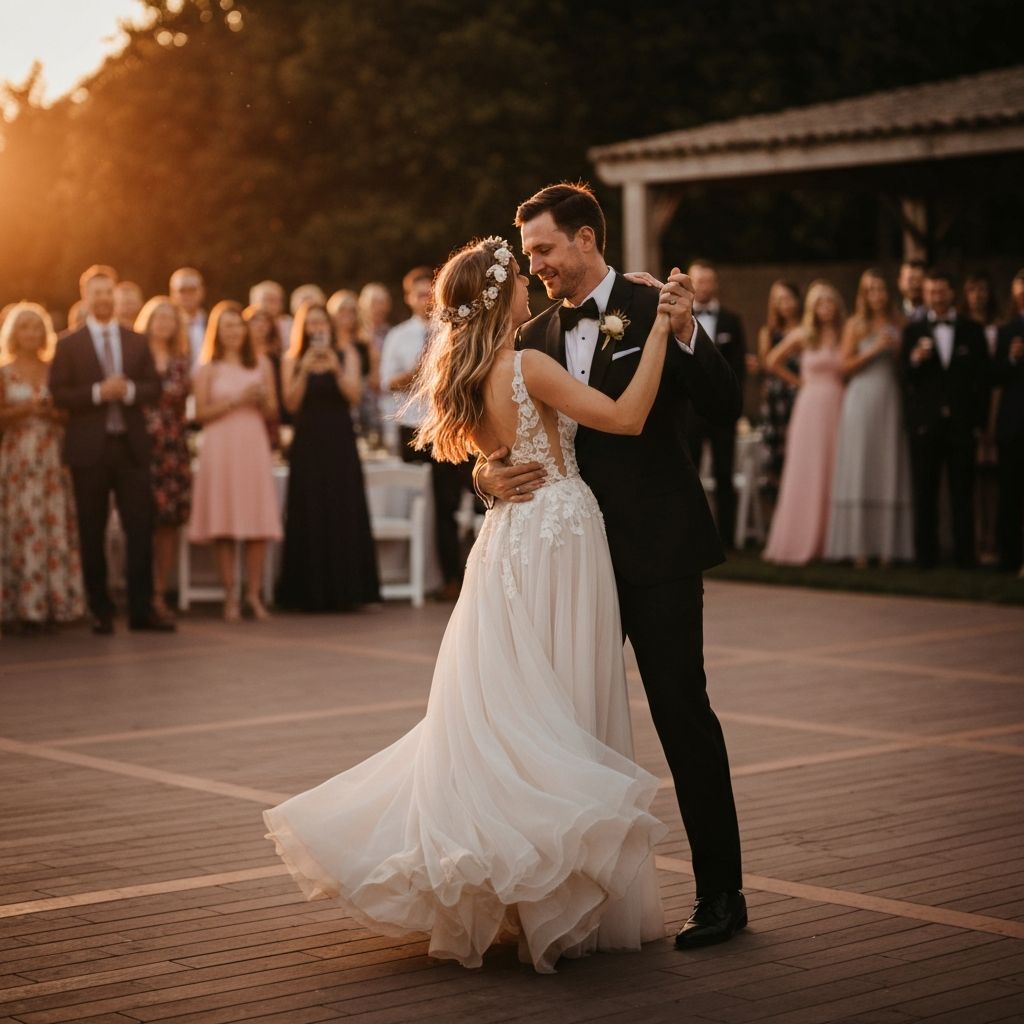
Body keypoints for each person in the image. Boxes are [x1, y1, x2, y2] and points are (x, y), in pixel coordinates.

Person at [264, 233, 679, 972]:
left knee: (518, 705)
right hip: (561, 532)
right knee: (565, 702)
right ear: (499, 295)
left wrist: (489, 475)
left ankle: (530, 899)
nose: (529, 284)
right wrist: (655, 340)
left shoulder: (468, 369)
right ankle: (563, 898)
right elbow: (624, 419)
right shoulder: (528, 365)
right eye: (519, 276)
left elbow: (489, 457)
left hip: (506, 542)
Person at [477, 183, 746, 950]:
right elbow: (503, 438)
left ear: (588, 238)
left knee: (682, 717)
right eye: (530, 255)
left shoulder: (655, 302)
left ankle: (722, 894)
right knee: (565, 728)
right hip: (568, 566)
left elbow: (725, 406)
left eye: (545, 250)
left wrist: (688, 331)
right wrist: (483, 477)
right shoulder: (530, 333)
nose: (538, 266)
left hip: (656, 550)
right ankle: (571, 903)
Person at [48, 265, 173, 634]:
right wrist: (98, 393)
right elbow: (59, 393)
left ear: (115, 296)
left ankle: (141, 610)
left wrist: (129, 390)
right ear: (85, 296)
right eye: (96, 292)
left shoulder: (136, 340)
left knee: (140, 528)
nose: (103, 298)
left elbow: (154, 387)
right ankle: (100, 609)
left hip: (131, 448)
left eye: (108, 292)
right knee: (92, 530)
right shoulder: (68, 343)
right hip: (90, 451)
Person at [275, 301, 380, 611]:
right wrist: (304, 370)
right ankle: (307, 594)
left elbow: (354, 397)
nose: (316, 329)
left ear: (329, 327)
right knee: (308, 508)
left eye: (322, 323)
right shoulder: (291, 359)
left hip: (339, 441)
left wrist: (335, 367)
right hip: (307, 442)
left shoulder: (345, 354)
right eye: (311, 324)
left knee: (341, 507)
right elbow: (290, 405)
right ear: (302, 328)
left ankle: (347, 591)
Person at [382, 266, 472, 599]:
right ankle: (425, 577)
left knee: (448, 504)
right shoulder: (398, 336)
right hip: (412, 429)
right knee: (422, 505)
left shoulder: (454, 329)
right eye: (418, 294)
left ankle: (455, 578)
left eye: (429, 293)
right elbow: (386, 383)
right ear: (407, 297)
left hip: (447, 429)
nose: (425, 300)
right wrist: (418, 372)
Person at [188, 301, 282, 621]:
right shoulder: (206, 368)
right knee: (224, 522)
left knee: (257, 522)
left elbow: (273, 412)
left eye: (236, 326)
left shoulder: (261, 363)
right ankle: (230, 594)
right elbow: (199, 414)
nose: (232, 332)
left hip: (252, 444)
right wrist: (236, 400)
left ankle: (253, 595)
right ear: (216, 332)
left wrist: (263, 400)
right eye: (226, 326)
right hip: (220, 446)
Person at [0, 303, 85, 631]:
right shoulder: (4, 372)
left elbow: (69, 412)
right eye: (25, 327)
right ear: (14, 333)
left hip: (51, 455)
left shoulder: (55, 369)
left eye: (37, 327)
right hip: (18, 456)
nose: (31, 334)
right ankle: (17, 607)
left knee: (50, 523)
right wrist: (25, 410)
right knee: (20, 524)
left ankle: (54, 603)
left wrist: (50, 412)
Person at [901, 269, 990, 569]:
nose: (936, 297)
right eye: (930, 292)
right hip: (926, 426)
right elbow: (904, 378)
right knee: (925, 493)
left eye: (941, 291)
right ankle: (926, 557)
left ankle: (965, 557)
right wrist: (915, 360)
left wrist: (979, 423)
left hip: (962, 425)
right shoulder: (912, 331)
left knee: (962, 493)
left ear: (952, 293)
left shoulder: (971, 330)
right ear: (924, 296)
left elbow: (982, 382)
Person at [825, 270, 913, 566]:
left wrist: (901, 351)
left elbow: (907, 367)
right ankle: (859, 548)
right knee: (860, 466)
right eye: (870, 289)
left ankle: (889, 548)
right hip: (861, 399)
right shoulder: (854, 324)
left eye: (880, 289)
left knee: (887, 465)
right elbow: (843, 367)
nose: (876, 295)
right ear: (863, 294)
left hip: (889, 397)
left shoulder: (900, 322)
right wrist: (876, 348)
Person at [762, 281, 846, 565]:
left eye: (829, 302)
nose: (825, 308)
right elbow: (772, 360)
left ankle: (834, 541)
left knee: (835, 470)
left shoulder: (845, 334)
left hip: (838, 406)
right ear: (812, 307)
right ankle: (800, 540)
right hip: (810, 407)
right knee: (808, 472)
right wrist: (801, 383)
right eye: (819, 302)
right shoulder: (803, 335)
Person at [135, 296, 192, 619]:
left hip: (172, 447)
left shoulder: (182, 361)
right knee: (140, 520)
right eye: (159, 316)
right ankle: (138, 590)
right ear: (149, 320)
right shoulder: (135, 358)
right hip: (139, 445)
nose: (164, 322)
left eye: (170, 317)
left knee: (167, 522)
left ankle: (159, 591)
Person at [684, 259, 746, 549]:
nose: (704, 286)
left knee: (725, 474)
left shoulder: (732, 321)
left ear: (716, 284)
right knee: (688, 474)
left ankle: (728, 539)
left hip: (721, 413)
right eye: (699, 281)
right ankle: (693, 536)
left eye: (709, 281)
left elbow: (738, 370)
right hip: (690, 413)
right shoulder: (678, 319)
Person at [964, 271, 1000, 565]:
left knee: (996, 478)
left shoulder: (1001, 327)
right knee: (974, 479)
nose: (978, 295)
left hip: (998, 405)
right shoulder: (965, 329)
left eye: (982, 289)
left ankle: (996, 539)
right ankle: (977, 540)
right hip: (970, 408)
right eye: (972, 289)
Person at [756, 280, 802, 496]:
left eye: (788, 298)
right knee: (778, 456)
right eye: (779, 300)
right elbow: (767, 365)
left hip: (804, 398)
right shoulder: (769, 332)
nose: (785, 304)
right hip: (779, 399)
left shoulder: (807, 329)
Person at [994, 268, 1024, 572]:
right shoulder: (1007, 331)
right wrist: (1013, 358)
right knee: (1010, 494)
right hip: (1014, 423)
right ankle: (1010, 559)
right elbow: (994, 377)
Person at [327, 288, 380, 442]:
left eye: (352, 310)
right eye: (342, 310)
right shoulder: (328, 348)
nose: (347, 315)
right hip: (335, 408)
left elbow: (375, 379)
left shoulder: (366, 345)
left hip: (363, 408)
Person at [243, 304, 287, 440]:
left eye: (265, 321)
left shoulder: (279, 358)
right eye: (255, 320)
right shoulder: (239, 358)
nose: (260, 325)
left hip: (272, 416)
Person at [169, 267, 208, 367]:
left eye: (192, 289)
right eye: (182, 290)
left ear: (202, 291)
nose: (188, 294)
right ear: (172, 294)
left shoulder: (213, 324)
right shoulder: (164, 328)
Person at [250, 279, 290, 348]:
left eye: (275, 300)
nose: (270, 305)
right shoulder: (242, 326)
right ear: (253, 301)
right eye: (267, 299)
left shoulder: (290, 326)